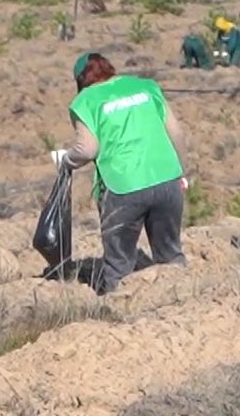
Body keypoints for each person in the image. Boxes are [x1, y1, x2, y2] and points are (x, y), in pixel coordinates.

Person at [49, 52, 191, 295]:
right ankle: (185, 303)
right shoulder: (146, 87)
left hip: (123, 187)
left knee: (119, 263)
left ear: (81, 80)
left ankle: (118, 312)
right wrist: (181, 172)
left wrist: (66, 160)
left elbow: (87, 149)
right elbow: (176, 133)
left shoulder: (85, 101)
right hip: (167, 178)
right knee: (170, 254)